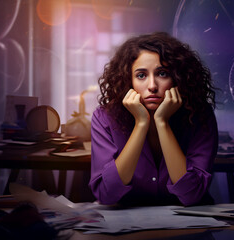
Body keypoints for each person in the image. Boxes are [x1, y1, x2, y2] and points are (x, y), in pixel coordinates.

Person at [89, 32, 218, 206]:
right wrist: (141, 124)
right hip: (127, 226)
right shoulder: (105, 118)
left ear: (177, 78)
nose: (152, 86)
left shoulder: (200, 115)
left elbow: (192, 195)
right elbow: (107, 194)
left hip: (189, 224)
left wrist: (162, 123)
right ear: (129, 80)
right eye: (141, 75)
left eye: (162, 73)